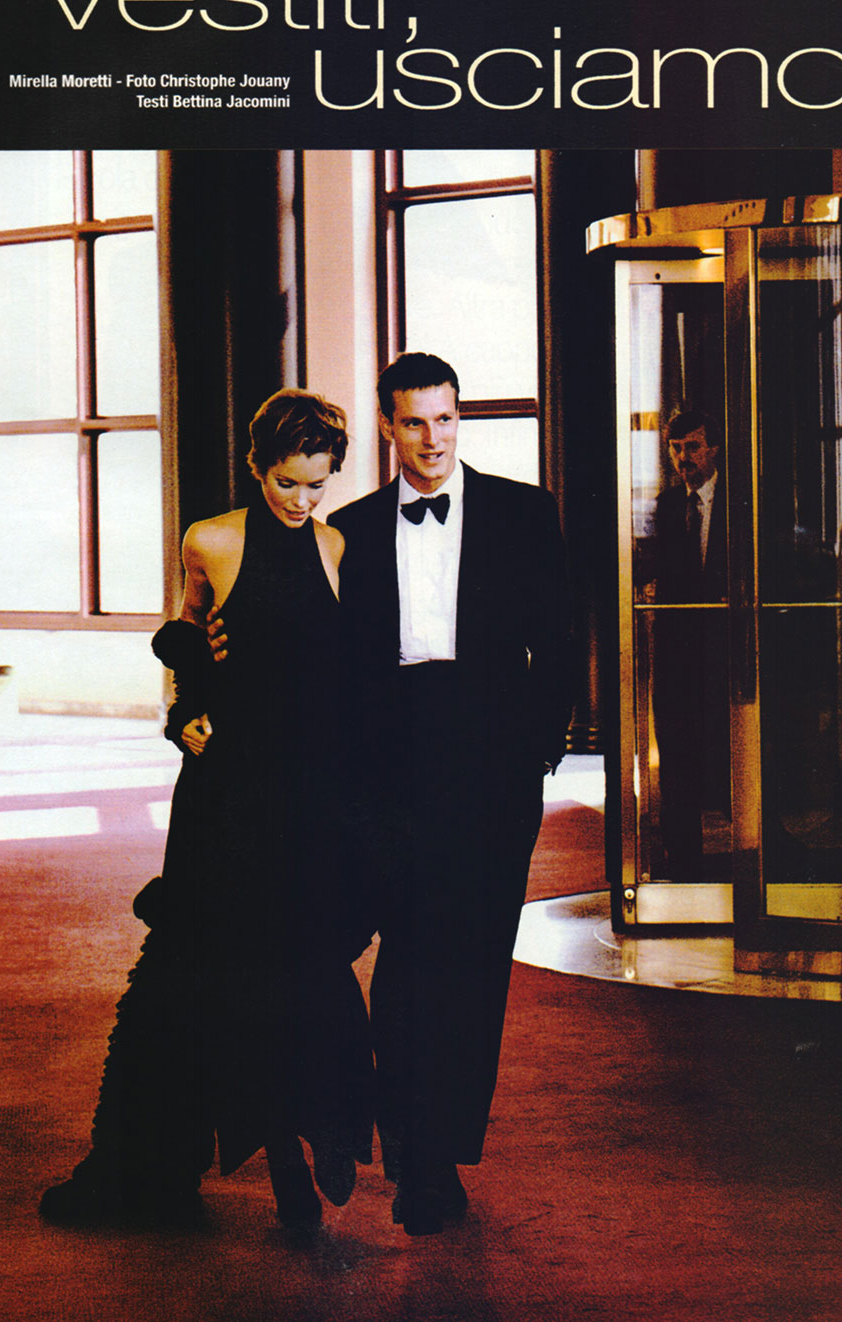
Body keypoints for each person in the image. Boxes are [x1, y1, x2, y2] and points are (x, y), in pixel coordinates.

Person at [213, 355, 572, 1235]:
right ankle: (397, 1136)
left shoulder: (525, 512)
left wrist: (537, 748)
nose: (432, 439)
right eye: (414, 422)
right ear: (387, 427)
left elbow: (563, 637)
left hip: (491, 768)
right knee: (403, 957)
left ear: (460, 418)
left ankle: (432, 1158)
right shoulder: (349, 532)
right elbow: (299, 642)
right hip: (385, 766)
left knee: (470, 968)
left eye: (445, 419)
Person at [40, 390, 374, 1232]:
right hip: (227, 794)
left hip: (310, 792)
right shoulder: (212, 540)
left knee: (301, 969)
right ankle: (226, 1164)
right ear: (258, 467)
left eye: (318, 485)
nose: (302, 501)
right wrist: (182, 711)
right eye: (288, 482)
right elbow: (188, 638)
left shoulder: (336, 547)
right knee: (205, 975)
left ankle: (314, 1141)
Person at [649, 409, 730, 879]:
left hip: (728, 650)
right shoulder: (666, 505)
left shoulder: (740, 501)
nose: (683, 458)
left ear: (713, 449)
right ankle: (681, 864)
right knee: (677, 758)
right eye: (676, 449)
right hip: (678, 655)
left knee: (728, 752)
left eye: (692, 447)